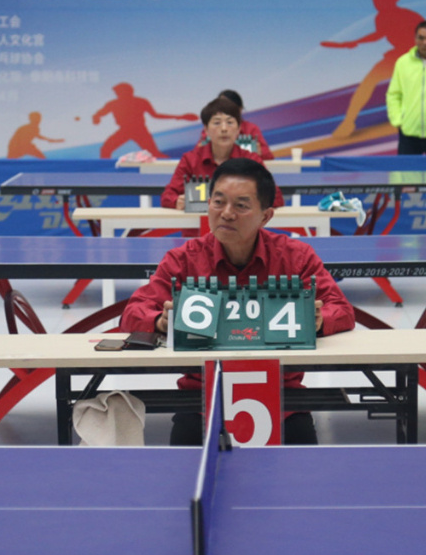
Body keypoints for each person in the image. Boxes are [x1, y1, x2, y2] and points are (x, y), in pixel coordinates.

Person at [121, 158, 356, 444]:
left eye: (241, 205)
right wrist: (160, 321)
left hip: (284, 397)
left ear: (266, 216)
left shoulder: (296, 257)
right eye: (218, 202)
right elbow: (132, 314)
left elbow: (341, 310)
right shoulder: (183, 260)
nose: (226, 214)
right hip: (200, 398)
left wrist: (318, 321)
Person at [321, 0, 425, 139]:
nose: (376, 1)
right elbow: (378, 34)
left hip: (417, 56)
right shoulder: (381, 17)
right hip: (396, 56)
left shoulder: (409, 16)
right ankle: (348, 122)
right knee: (369, 82)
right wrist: (353, 42)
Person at [161, 97, 282, 210]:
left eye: (230, 122)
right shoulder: (190, 160)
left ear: (238, 129)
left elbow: (276, 198)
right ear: (206, 130)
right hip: (200, 224)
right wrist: (176, 201)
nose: (224, 129)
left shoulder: (251, 160)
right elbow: (167, 196)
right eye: (217, 123)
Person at [386, 21, 426, 155]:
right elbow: (394, 94)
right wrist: (398, 120)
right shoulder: (403, 62)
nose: (425, 42)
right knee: (406, 169)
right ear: (415, 39)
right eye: (421, 38)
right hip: (408, 132)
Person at [92, 82, 197, 159]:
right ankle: (104, 172)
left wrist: (179, 117)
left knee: (155, 154)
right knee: (105, 150)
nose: (118, 94)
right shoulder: (113, 104)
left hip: (139, 130)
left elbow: (155, 115)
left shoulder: (141, 101)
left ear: (128, 91)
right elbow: (99, 114)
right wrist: (96, 118)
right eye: (117, 92)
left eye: (119, 92)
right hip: (125, 130)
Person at [194, 89, 273, 159]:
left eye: (229, 107)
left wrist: (259, 153)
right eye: (221, 106)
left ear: (240, 109)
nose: (224, 128)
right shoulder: (211, 129)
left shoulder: (251, 128)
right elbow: (196, 154)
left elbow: (268, 156)